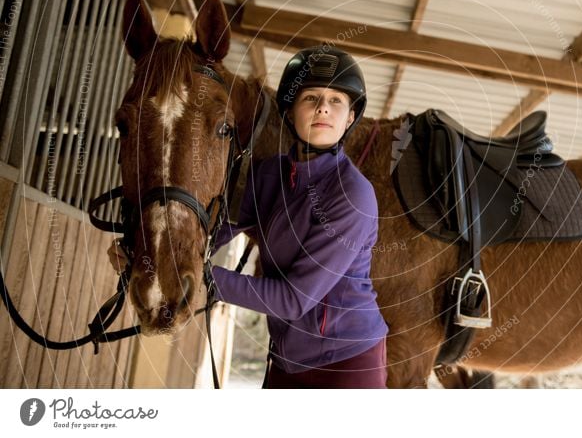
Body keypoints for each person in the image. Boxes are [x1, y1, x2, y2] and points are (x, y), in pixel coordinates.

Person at [110, 46, 389, 388]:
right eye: (311, 98)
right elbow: (213, 233)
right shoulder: (270, 176)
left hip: (347, 365)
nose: (323, 108)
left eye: (337, 101)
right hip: (285, 358)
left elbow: (293, 300)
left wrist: (204, 276)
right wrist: (151, 256)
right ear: (289, 112)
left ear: (349, 119)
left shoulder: (353, 196)